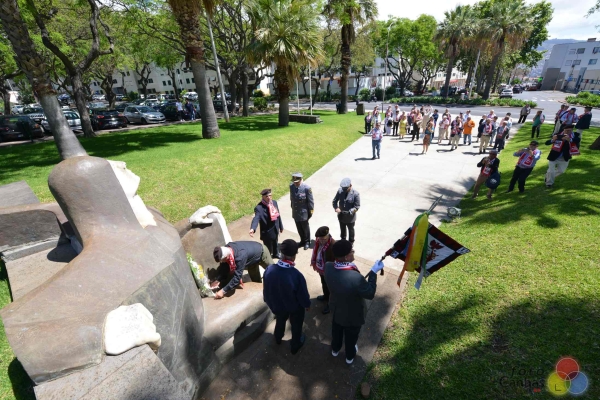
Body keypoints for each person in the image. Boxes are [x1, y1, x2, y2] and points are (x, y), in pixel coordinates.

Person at [325, 240, 383, 365]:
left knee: (336, 332)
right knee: (351, 338)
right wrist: (373, 273)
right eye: (352, 251)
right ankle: (349, 356)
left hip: (336, 309)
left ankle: (335, 349)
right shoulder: (356, 278)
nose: (353, 252)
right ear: (346, 257)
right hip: (353, 315)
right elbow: (370, 293)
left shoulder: (328, 266)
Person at [263, 239, 310, 354]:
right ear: (294, 256)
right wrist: (307, 304)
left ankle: (278, 337)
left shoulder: (269, 269)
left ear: (281, 253)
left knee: (280, 320)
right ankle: (295, 345)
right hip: (294, 307)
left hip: (277, 305)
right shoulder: (296, 275)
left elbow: (266, 288)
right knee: (296, 325)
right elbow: (303, 295)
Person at [250, 188, 284, 259]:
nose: (269, 198)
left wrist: (281, 226)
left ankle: (276, 254)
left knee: (275, 242)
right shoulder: (259, 208)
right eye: (266, 196)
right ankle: (268, 258)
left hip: (275, 228)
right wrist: (253, 228)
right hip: (267, 232)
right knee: (268, 248)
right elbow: (256, 218)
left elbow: (278, 215)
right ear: (263, 197)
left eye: (270, 195)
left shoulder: (274, 203)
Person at [310, 226, 336, 314]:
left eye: (323, 239)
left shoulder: (333, 245)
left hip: (330, 271)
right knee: (324, 284)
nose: (321, 241)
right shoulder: (318, 242)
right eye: (320, 239)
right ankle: (326, 296)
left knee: (331, 288)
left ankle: (330, 304)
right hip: (321, 269)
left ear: (328, 235)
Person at [290, 172, 314, 250]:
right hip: (295, 211)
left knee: (305, 228)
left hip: (304, 212)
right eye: (294, 182)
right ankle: (302, 240)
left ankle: (307, 242)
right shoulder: (291, 186)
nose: (295, 183)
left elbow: (310, 201)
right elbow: (292, 198)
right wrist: (292, 207)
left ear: (300, 180)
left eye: (297, 182)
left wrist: (310, 212)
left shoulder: (307, 188)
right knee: (299, 227)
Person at [332, 178, 360, 244]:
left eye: (346, 189)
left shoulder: (355, 194)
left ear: (350, 185)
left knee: (351, 230)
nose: (344, 190)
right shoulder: (340, 191)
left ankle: (351, 242)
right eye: (343, 189)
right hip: (341, 215)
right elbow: (334, 201)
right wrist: (336, 208)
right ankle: (343, 240)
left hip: (350, 217)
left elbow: (357, 206)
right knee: (342, 229)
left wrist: (349, 212)